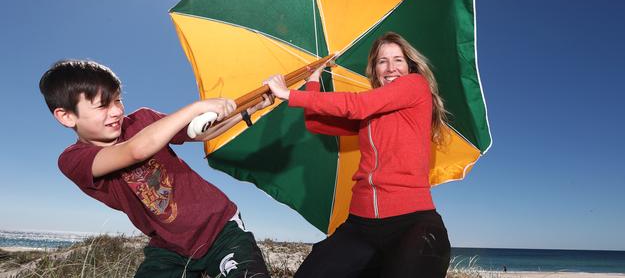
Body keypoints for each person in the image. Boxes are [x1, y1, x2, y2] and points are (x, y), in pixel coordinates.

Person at [39, 59, 272, 278]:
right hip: (169, 246)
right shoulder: (73, 160)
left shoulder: (143, 119)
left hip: (220, 228)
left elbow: (201, 131)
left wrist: (248, 111)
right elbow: (136, 150)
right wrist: (197, 107)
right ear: (67, 116)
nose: (117, 111)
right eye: (103, 105)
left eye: (118, 100)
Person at [265, 32, 451, 278]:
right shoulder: (369, 113)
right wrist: (313, 79)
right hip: (361, 225)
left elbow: (358, 105)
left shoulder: (415, 85)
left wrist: (288, 94)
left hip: (412, 223)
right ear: (374, 69)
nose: (390, 67)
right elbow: (316, 123)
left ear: (410, 66)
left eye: (398, 60)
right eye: (382, 61)